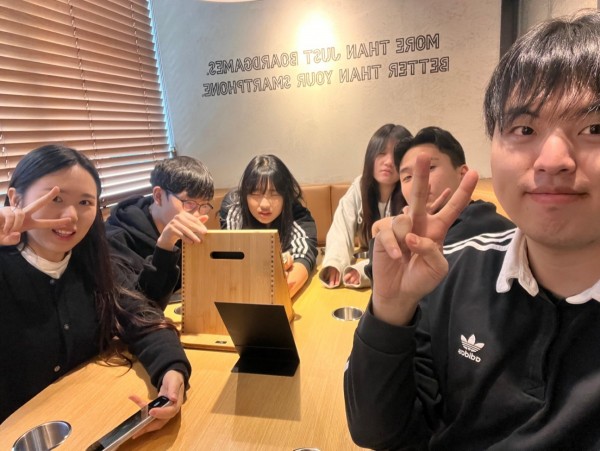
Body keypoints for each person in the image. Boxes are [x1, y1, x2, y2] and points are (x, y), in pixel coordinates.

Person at [344, 10, 600, 450]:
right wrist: (390, 308)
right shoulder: (451, 273)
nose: (553, 159)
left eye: (594, 128)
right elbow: (380, 432)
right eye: (525, 128)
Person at [0, 144, 191, 431]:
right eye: (56, 198)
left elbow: (143, 319)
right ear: (15, 199)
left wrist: (172, 372)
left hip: (89, 421)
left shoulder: (95, 265)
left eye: (85, 202)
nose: (71, 216)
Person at [105, 156, 214, 309]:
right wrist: (165, 247)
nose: (196, 214)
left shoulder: (185, 229)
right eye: (189, 203)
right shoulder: (114, 240)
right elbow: (138, 309)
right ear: (158, 196)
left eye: (204, 205)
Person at [319, 124, 412, 289]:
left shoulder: (411, 191)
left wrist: (365, 270)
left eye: (396, 155)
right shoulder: (360, 186)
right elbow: (341, 227)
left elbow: (403, 251)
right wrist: (335, 262)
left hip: (398, 280)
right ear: (371, 156)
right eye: (381, 153)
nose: (388, 162)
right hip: (366, 267)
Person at [390, 125, 514, 243]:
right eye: (407, 177)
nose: (417, 183)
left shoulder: (500, 236)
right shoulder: (400, 242)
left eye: (430, 167)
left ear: (462, 174)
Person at [219, 154, 318, 297]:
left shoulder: (297, 215)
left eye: (275, 193)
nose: (265, 204)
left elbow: (304, 257)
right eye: (255, 193)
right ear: (245, 195)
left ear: (286, 196)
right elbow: (231, 259)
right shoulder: (234, 207)